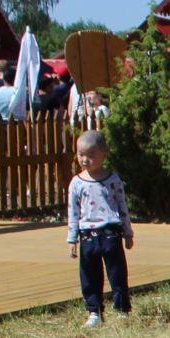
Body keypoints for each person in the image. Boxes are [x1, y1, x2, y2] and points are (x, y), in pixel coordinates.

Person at [67, 129, 134, 326]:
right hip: (87, 236)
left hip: (110, 234)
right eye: (80, 154)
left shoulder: (112, 180)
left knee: (117, 273)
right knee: (89, 275)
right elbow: (73, 212)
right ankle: (94, 311)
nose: (85, 159)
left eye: (90, 155)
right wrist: (72, 239)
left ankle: (122, 309)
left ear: (104, 154)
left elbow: (122, 206)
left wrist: (128, 232)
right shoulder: (77, 183)